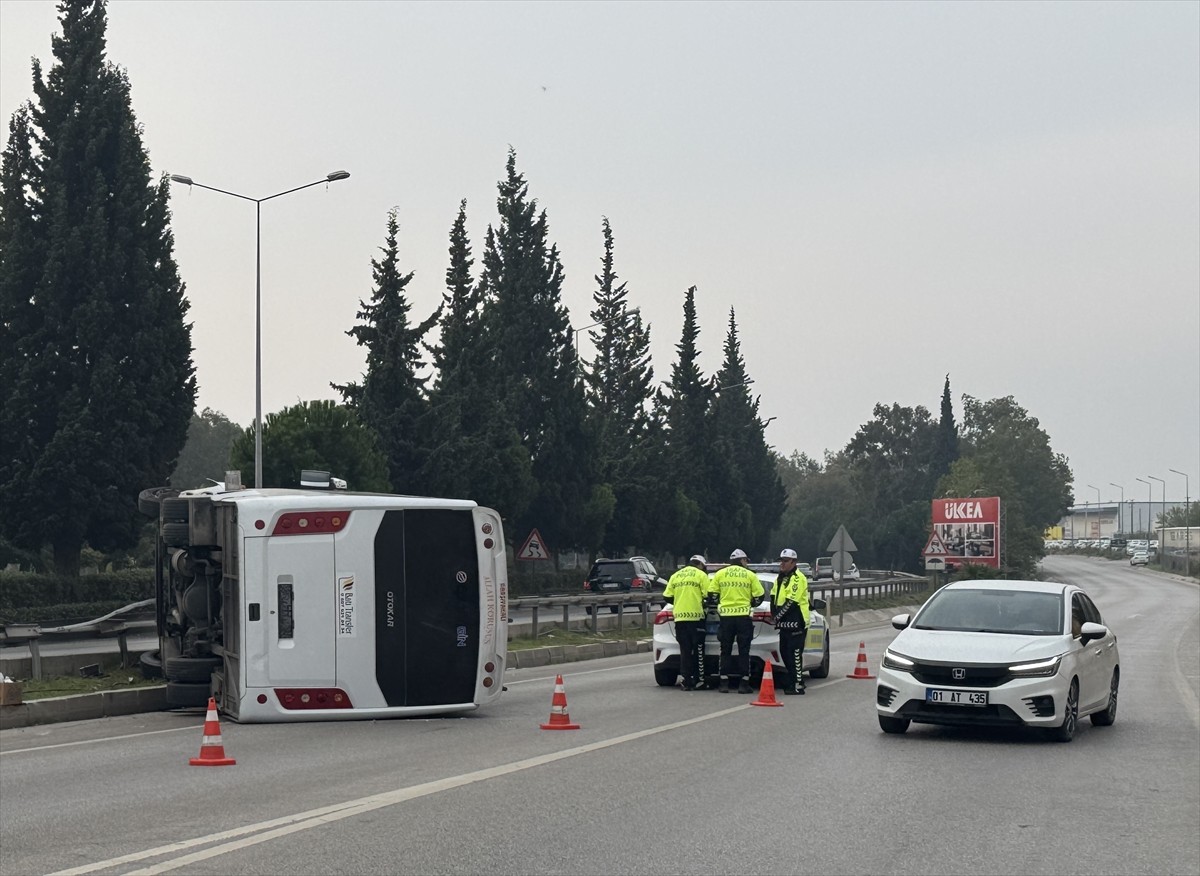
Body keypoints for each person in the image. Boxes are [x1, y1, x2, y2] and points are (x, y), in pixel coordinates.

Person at [706, 548, 765, 693]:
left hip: (725, 618)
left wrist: (721, 603)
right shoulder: (750, 575)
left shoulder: (720, 574)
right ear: (743, 560)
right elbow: (760, 596)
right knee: (744, 651)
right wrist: (750, 604)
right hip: (743, 617)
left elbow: (712, 594)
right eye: (746, 561)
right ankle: (744, 684)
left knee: (725, 650)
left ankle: (723, 683)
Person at [663, 554, 710, 690]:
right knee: (699, 650)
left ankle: (686, 680)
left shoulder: (676, 575)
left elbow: (667, 596)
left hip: (680, 618)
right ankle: (700, 680)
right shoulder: (701, 575)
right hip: (696, 618)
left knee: (685, 650)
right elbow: (709, 594)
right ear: (701, 565)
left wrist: (679, 602)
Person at [770, 548, 811, 695]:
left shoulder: (798, 578)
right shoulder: (780, 577)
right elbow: (774, 596)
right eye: (781, 561)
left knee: (794, 653)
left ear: (794, 562)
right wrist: (773, 613)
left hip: (797, 619)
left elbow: (791, 602)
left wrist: (777, 616)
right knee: (784, 652)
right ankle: (793, 679)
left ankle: (798, 684)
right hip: (784, 622)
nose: (782, 564)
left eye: (786, 561)